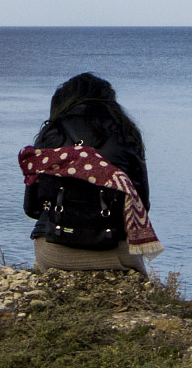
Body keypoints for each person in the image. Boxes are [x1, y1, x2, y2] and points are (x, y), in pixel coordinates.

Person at [19, 72, 162, 274]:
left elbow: (32, 208)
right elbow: (142, 204)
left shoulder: (51, 135)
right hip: (116, 253)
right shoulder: (126, 134)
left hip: (55, 253)